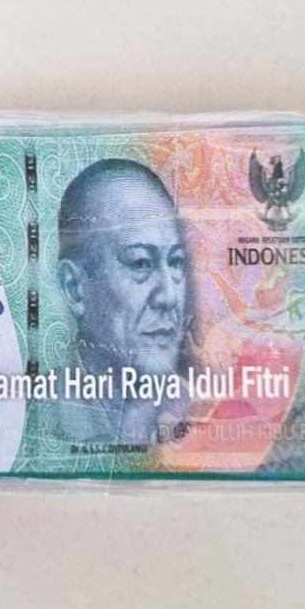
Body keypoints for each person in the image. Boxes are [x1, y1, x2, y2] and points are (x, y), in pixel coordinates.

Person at [51, 158, 191, 445]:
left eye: (176, 262)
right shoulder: (31, 418)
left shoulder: (207, 412)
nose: (170, 296)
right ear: (74, 288)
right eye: (140, 263)